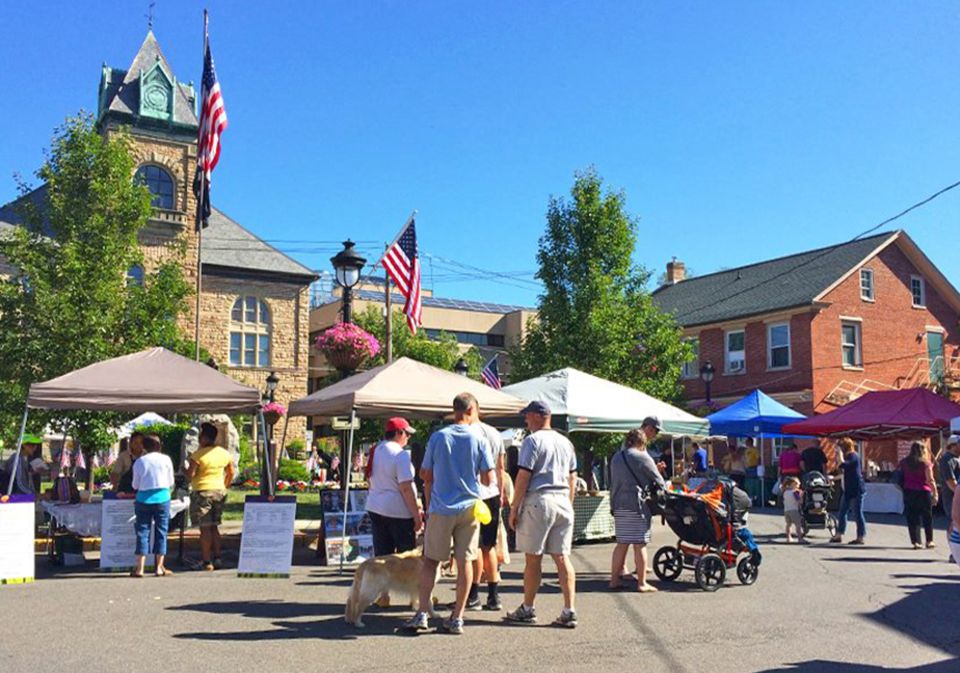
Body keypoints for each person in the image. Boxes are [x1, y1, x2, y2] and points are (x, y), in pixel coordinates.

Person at [403, 393, 494, 635]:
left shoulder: (438, 437)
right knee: (465, 561)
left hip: (441, 507)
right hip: (470, 507)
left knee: (431, 561)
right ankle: (457, 618)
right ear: (472, 410)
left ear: (454, 411)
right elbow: (488, 479)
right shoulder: (479, 439)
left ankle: (422, 613)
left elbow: (425, 474)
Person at [505, 400, 579, 629]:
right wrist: (568, 503)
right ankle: (569, 609)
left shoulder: (532, 441)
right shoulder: (566, 442)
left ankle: (528, 608)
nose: (525, 420)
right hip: (563, 500)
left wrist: (514, 507)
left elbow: (523, 476)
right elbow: (573, 477)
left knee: (533, 558)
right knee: (562, 556)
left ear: (538, 416)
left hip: (540, 499)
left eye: (527, 416)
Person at [608, 427, 666, 592]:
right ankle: (642, 583)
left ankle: (614, 580)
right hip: (636, 504)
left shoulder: (616, 457)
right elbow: (659, 480)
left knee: (622, 543)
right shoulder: (642, 456)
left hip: (618, 503)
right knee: (640, 543)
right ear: (642, 442)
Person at [365, 417, 422, 557]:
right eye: (407, 434)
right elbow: (405, 487)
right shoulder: (400, 454)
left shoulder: (376, 449)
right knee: (406, 557)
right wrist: (416, 515)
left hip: (376, 506)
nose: (408, 438)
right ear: (399, 433)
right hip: (398, 511)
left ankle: (382, 579)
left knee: (382, 555)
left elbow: (369, 479)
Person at [184, 422, 235, 571]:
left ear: (204, 438)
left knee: (205, 528)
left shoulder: (198, 455)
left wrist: (184, 470)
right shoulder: (224, 453)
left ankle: (206, 561)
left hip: (202, 491)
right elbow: (231, 472)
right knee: (214, 526)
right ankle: (217, 557)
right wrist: (225, 484)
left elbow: (191, 474)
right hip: (219, 490)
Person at [470, 415, 507, 611]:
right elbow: (501, 468)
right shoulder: (495, 433)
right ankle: (494, 596)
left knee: (473, 546)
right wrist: (501, 493)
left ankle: (473, 594)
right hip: (492, 493)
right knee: (489, 545)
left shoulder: (468, 432)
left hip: (473, 493)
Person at [131, 434, 175, 577]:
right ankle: (159, 567)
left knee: (142, 532)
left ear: (144, 447)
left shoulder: (139, 461)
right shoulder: (166, 459)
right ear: (159, 445)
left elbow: (135, 485)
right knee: (161, 531)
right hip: (162, 498)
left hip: (143, 499)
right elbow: (170, 482)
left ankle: (140, 568)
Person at [900, 442, 938, 550]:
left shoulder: (903, 462)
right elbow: (930, 479)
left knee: (912, 517)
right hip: (923, 491)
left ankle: (916, 541)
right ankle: (929, 540)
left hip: (909, 491)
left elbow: (899, 477)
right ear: (923, 450)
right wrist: (935, 493)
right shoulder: (925, 463)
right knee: (927, 517)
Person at [830, 438, 866, 545]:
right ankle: (839, 534)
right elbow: (844, 471)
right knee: (842, 512)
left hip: (856, 489)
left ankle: (860, 536)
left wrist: (840, 455)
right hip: (848, 489)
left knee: (857, 513)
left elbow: (843, 465)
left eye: (840, 448)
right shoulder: (850, 456)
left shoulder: (853, 456)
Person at [938, 435, 960, 524]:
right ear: (953, 445)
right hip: (953, 500)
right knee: (955, 526)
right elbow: (951, 483)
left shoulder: (957, 458)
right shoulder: (947, 459)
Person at [782, 476, 804, 543]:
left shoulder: (785, 492)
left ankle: (788, 537)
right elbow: (799, 501)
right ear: (793, 484)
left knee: (788, 524)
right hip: (794, 510)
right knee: (798, 524)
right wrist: (801, 496)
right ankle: (800, 538)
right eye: (797, 484)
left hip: (786, 510)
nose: (799, 485)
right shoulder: (795, 492)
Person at [743, 438, 761, 504]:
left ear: (750, 442)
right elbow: (745, 459)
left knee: (754, 483)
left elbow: (758, 458)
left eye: (747, 442)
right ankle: (750, 497)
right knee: (748, 483)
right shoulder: (746, 450)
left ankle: (755, 498)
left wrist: (758, 467)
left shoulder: (755, 450)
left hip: (754, 467)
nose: (746, 443)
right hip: (747, 468)